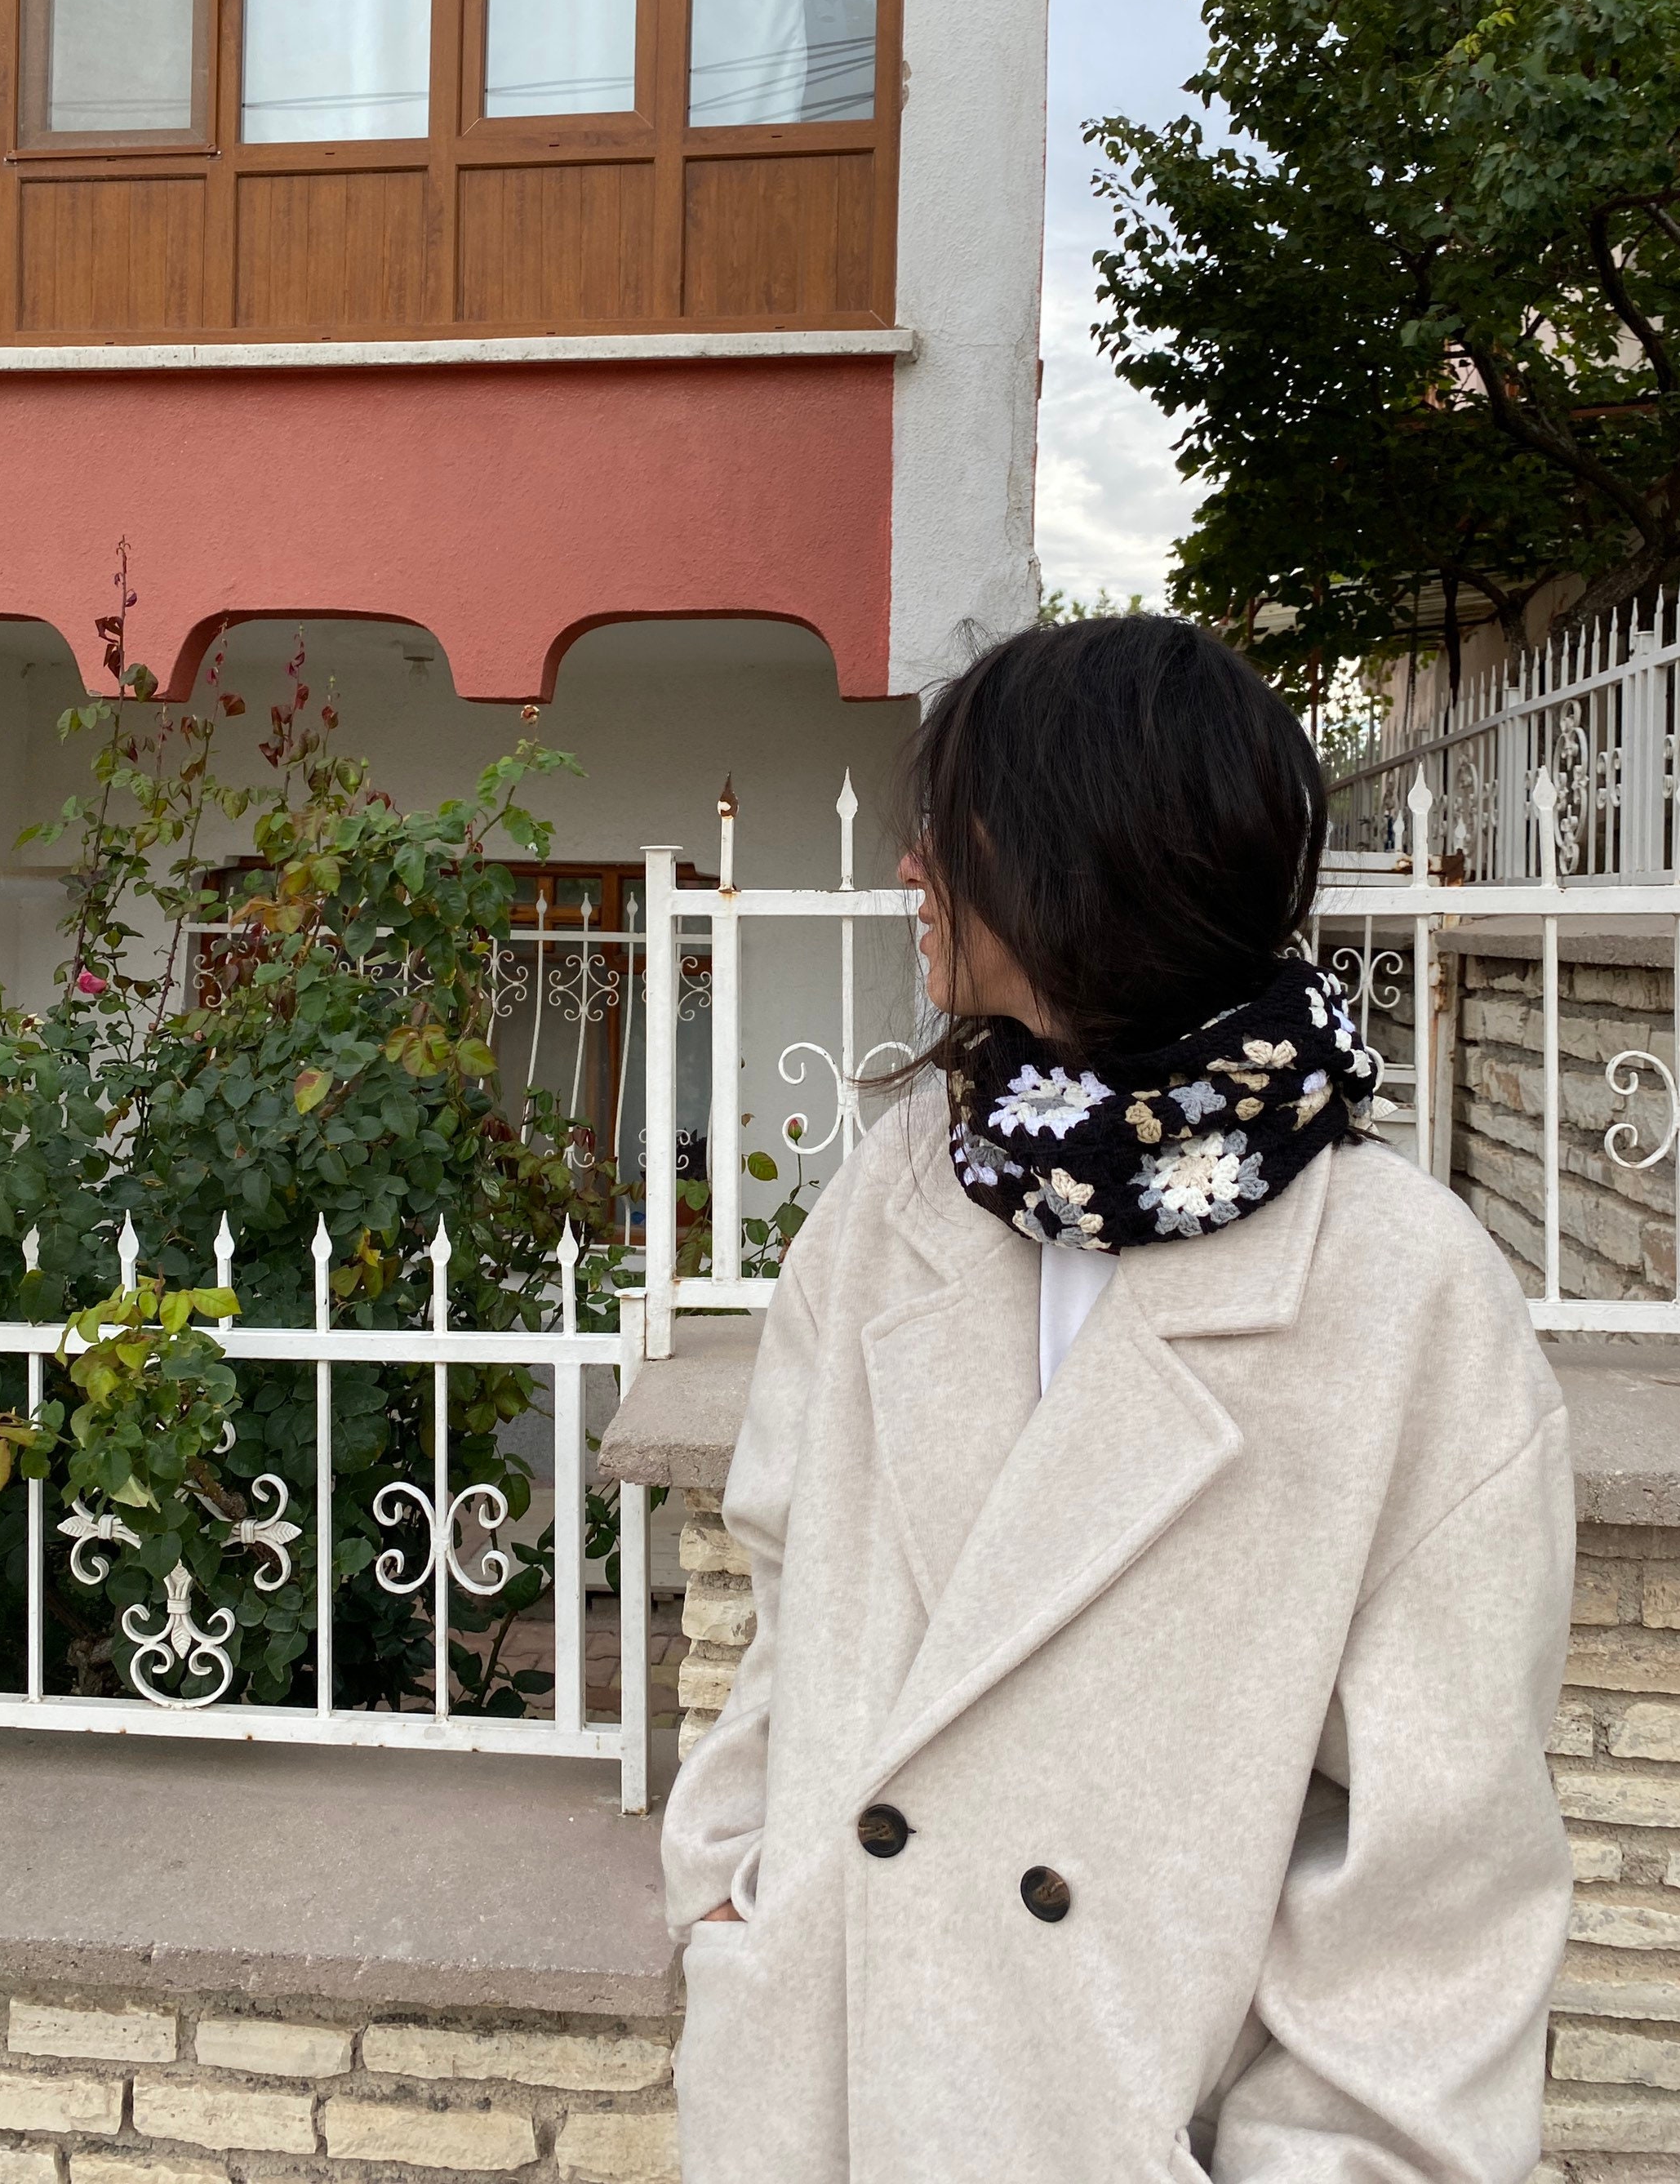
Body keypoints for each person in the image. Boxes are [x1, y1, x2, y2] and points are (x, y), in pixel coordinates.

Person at [660, 615, 1574, 2184]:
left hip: (1125, 2121)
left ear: (1083, 857)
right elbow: (784, 1576)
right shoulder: (901, 1199)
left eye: (949, 828)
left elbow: (1440, 1864)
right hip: (820, 2088)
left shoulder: (1399, 1294)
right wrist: (734, 1889)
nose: (909, 870)